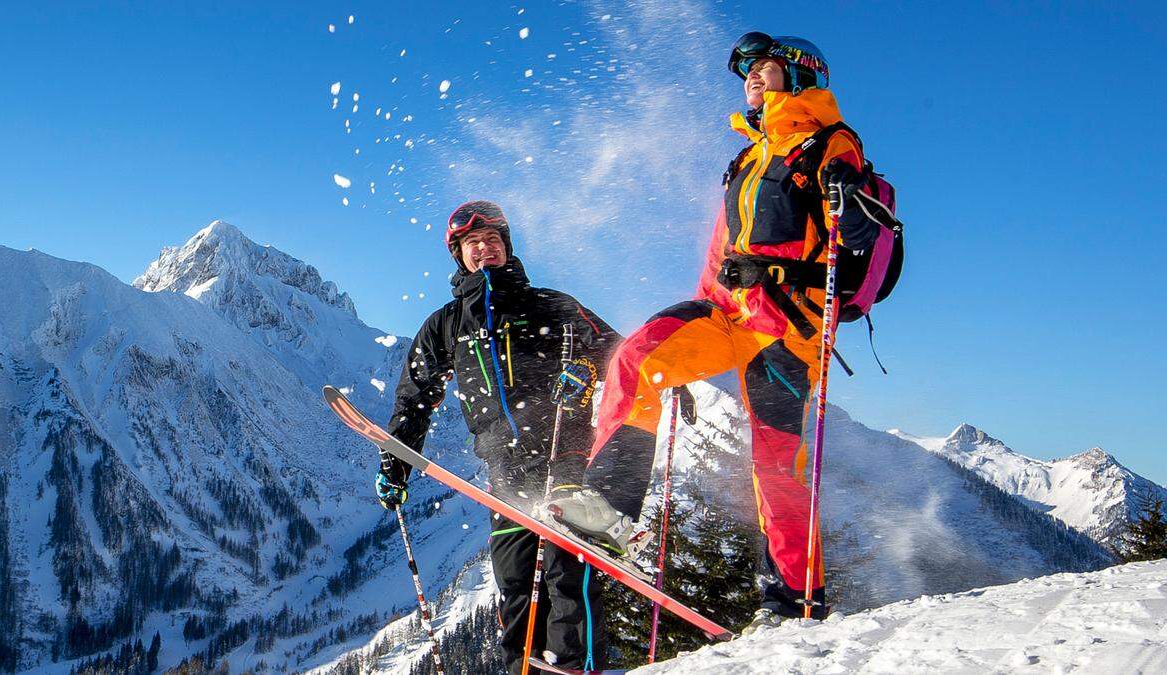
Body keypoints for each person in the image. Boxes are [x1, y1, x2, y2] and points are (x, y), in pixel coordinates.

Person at [547, 33, 884, 625]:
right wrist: (694, 330)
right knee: (637, 356)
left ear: (803, 77)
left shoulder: (831, 144)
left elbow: (853, 231)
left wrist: (853, 216)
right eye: (747, 72)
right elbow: (721, 252)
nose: (752, 77)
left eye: (766, 68)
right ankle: (610, 507)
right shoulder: (748, 159)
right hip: (728, 313)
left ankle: (795, 600)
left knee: (775, 466)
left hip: (786, 327)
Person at [378, 200, 620, 674]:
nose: (484, 249)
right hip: (504, 470)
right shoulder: (446, 326)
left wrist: (586, 371)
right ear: (460, 256)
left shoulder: (552, 304)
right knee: (513, 579)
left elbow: (617, 352)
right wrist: (395, 464)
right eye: (473, 244)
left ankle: (575, 666)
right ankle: (523, 668)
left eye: (492, 241)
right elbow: (415, 401)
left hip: (565, 453)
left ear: (506, 247)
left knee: (566, 569)